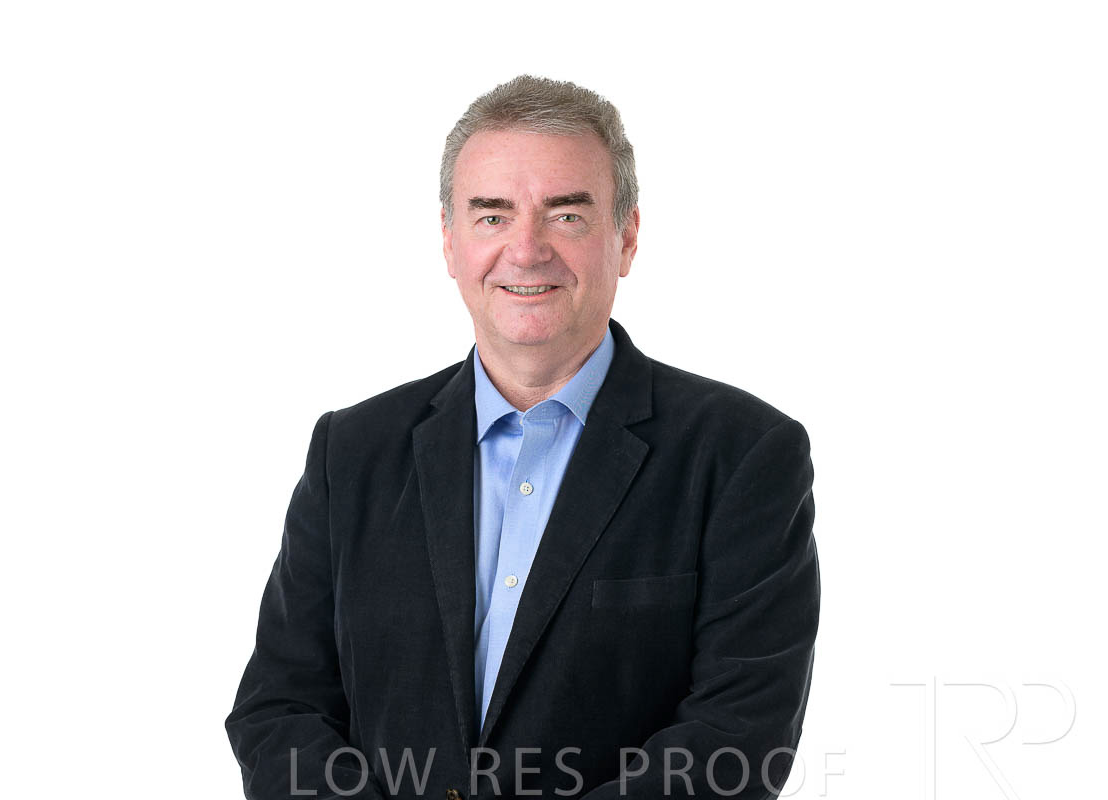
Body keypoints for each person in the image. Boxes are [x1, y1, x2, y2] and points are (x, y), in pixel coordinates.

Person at [225, 75, 820, 800]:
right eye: (492, 215)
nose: (527, 249)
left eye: (566, 215)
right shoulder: (351, 452)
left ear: (627, 237)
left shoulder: (743, 455)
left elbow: (736, 738)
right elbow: (280, 710)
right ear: (450, 241)